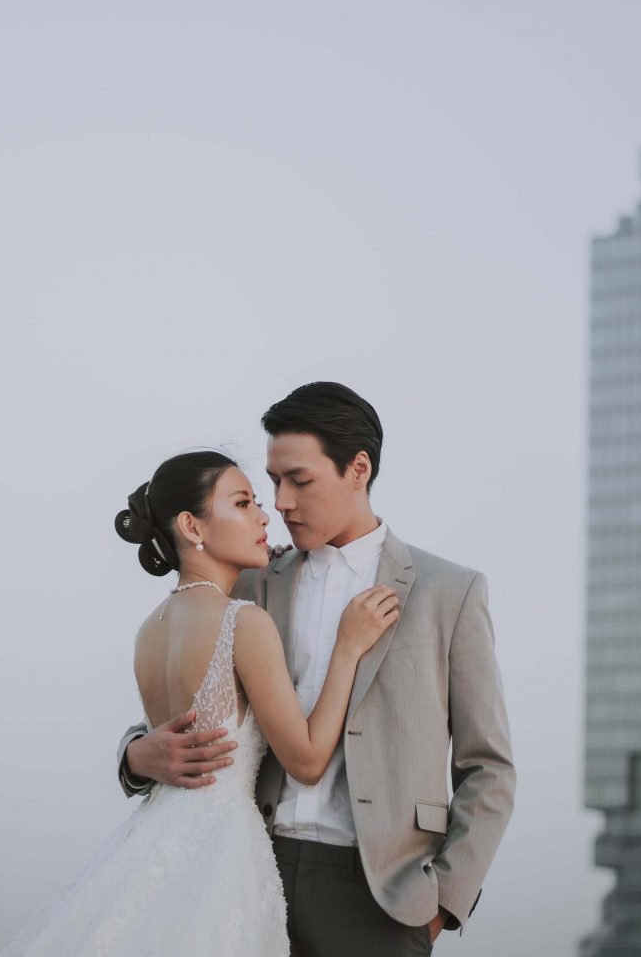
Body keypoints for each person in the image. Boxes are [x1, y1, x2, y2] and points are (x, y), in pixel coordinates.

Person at [120, 383, 515, 956]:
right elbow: (182, 704)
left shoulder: (448, 592)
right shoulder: (249, 585)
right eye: (274, 482)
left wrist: (444, 904)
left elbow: (489, 766)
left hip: (382, 896)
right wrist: (135, 755)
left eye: (298, 480)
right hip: (250, 876)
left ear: (358, 469)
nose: (279, 502)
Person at [0, 449, 400, 956]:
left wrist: (135, 755)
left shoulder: (151, 629)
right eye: (243, 502)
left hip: (149, 844)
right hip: (219, 852)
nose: (264, 515)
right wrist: (346, 649)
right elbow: (307, 759)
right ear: (192, 526)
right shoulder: (244, 622)